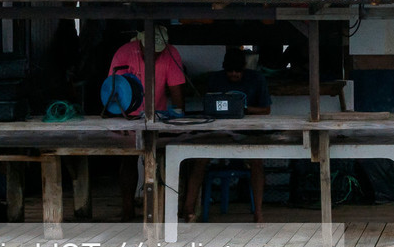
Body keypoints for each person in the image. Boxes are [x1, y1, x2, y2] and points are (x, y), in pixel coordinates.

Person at [184, 48, 272, 222]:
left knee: (257, 162)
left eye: (238, 71)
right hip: (219, 130)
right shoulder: (216, 79)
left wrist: (243, 109)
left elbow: (266, 110)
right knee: (200, 159)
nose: (234, 74)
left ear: (244, 68)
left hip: (248, 132)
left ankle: (258, 213)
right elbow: (209, 107)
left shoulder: (256, 79)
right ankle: (188, 209)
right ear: (224, 69)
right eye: (230, 71)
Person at [106, 24, 187, 114]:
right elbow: (113, 89)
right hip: (128, 116)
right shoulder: (124, 52)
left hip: (158, 114)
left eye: (158, 52)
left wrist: (179, 115)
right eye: (149, 50)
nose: (154, 54)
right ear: (141, 43)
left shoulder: (171, 53)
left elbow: (176, 90)